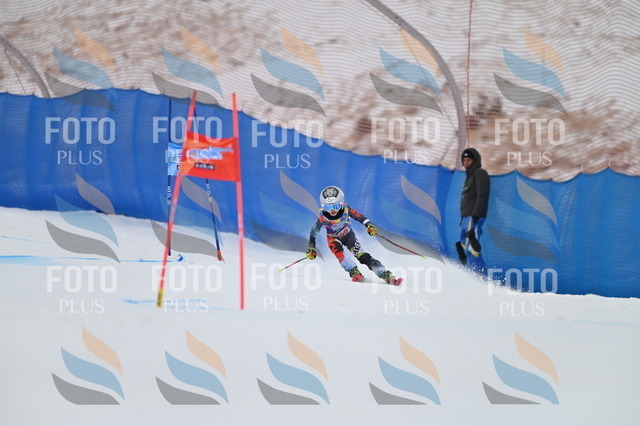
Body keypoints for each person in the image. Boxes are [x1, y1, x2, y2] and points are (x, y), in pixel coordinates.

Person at [306, 186, 400, 285]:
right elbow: (313, 233)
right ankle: (353, 271)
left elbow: (360, 217)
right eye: (328, 207)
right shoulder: (322, 217)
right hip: (333, 238)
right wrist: (311, 248)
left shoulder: (346, 209)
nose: (332, 210)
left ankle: (383, 273)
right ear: (323, 206)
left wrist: (369, 225)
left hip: (348, 236)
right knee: (337, 250)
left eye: (336, 206)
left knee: (362, 256)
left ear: (341, 203)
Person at [456, 148, 490, 275]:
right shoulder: (469, 177)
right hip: (466, 218)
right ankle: (472, 277)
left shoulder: (480, 173)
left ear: (475, 160)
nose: (466, 163)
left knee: (472, 249)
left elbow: (482, 196)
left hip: (473, 217)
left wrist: (475, 216)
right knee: (464, 248)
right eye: (464, 160)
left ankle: (482, 278)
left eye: (469, 160)